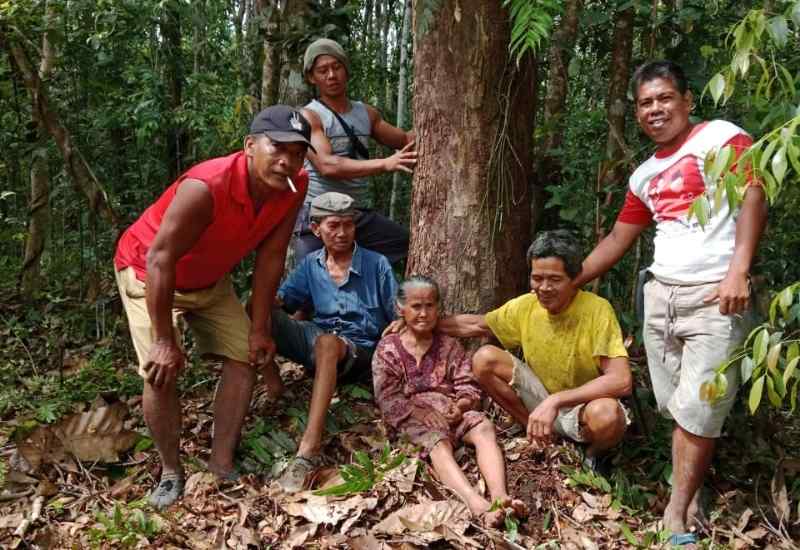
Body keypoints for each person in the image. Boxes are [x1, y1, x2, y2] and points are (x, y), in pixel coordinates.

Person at [573, 61, 767, 546]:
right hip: (660, 295)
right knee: (673, 406)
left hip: (715, 295)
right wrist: (567, 280)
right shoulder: (645, 174)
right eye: (645, 103)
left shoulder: (722, 138)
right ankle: (693, 490)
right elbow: (620, 236)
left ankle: (675, 516)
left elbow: (753, 194)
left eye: (664, 98)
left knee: (700, 409)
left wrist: (738, 269)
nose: (655, 109)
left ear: (687, 100)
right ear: (636, 112)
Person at [114, 105, 314, 508]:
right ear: (250, 145)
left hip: (209, 280)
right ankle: (171, 472)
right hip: (147, 272)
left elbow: (271, 258)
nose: (287, 161)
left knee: (245, 355)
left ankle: (221, 462)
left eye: (297, 153)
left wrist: (260, 328)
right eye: (278, 147)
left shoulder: (295, 185)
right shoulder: (207, 185)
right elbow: (160, 259)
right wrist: (165, 341)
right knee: (160, 370)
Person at [387, 231, 632, 460]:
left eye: (554, 279)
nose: (544, 288)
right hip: (540, 397)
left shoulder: (596, 310)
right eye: (537, 278)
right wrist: (420, 322)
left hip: (581, 405)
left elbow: (620, 380)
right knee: (484, 358)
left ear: (574, 278)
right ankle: (539, 433)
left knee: (607, 416)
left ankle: (591, 457)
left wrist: (555, 401)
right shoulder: (526, 306)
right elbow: (478, 325)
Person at [265, 191, 398, 493]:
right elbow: (284, 303)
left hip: (359, 350)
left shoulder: (377, 264)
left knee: (327, 343)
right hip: (320, 342)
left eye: (348, 225)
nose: (341, 233)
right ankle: (273, 385)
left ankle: (307, 450)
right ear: (316, 229)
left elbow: (397, 315)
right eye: (333, 226)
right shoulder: (311, 265)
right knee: (258, 310)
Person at [372, 276, 527, 527]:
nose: (424, 313)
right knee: (437, 443)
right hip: (414, 421)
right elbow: (387, 397)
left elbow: (468, 385)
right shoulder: (388, 349)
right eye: (416, 306)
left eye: (430, 306)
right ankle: (476, 504)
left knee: (483, 426)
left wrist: (462, 406)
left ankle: (500, 497)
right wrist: (419, 412)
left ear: (438, 308)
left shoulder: (449, 345)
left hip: (452, 413)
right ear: (401, 309)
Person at [295, 37, 416, 264]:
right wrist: (385, 164)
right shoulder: (309, 117)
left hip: (356, 214)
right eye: (323, 70)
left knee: (408, 244)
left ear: (346, 70)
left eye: (337, 67)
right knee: (309, 286)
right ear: (312, 77)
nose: (331, 75)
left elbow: (405, 139)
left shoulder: (366, 114)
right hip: (320, 216)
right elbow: (326, 165)